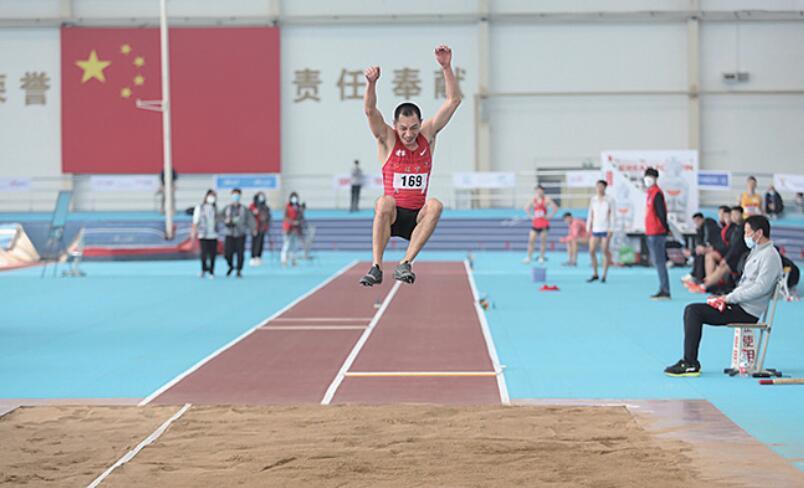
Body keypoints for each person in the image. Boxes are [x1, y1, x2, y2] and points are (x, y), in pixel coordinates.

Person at [358, 45, 461, 286]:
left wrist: (446, 67)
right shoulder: (388, 138)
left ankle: (405, 263)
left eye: (414, 128)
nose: (408, 134)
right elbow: (369, 110)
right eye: (403, 128)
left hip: (416, 217)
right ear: (395, 125)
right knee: (383, 201)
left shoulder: (428, 135)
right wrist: (371, 84)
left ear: (420, 124)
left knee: (435, 204)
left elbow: (454, 100)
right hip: (392, 215)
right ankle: (376, 267)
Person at [665, 215, 782, 377]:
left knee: (693, 311)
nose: (745, 236)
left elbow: (760, 288)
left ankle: (690, 363)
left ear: (759, 233)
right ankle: (689, 361)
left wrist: (728, 298)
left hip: (746, 311)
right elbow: (745, 284)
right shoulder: (756, 252)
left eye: (748, 232)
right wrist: (726, 297)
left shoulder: (770, 256)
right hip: (738, 304)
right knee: (693, 309)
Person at [696, 206, 749, 293]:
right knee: (710, 257)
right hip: (730, 254)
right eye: (733, 214)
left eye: (736, 214)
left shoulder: (742, 229)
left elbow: (736, 247)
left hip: (738, 257)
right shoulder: (733, 228)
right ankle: (707, 283)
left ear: (741, 214)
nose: (734, 216)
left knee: (722, 267)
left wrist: (726, 258)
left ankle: (705, 284)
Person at [644, 167, 671, 300]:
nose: (647, 179)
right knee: (658, 262)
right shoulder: (650, 193)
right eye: (646, 176)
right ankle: (663, 288)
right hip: (651, 232)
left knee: (660, 262)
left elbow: (662, 214)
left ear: (655, 179)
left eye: (650, 176)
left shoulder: (657, 194)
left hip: (657, 232)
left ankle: (665, 290)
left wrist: (665, 229)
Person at [683, 212, 724, 285]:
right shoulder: (701, 228)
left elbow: (708, 240)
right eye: (695, 222)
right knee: (699, 252)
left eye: (697, 221)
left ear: (702, 219)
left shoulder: (708, 224)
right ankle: (696, 276)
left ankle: (700, 279)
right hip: (712, 247)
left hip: (716, 248)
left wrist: (704, 248)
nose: (696, 223)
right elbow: (700, 242)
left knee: (702, 253)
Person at [586, 180, 614, 283]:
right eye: (598, 186)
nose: (599, 188)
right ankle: (595, 273)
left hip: (606, 228)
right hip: (596, 228)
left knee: (604, 250)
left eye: (601, 186)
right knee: (591, 250)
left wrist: (611, 229)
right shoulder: (593, 200)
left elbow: (613, 215)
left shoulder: (610, 200)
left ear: (605, 188)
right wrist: (588, 227)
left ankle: (604, 274)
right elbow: (590, 213)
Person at [222, 188, 254, 278]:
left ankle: (239, 270)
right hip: (229, 233)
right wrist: (226, 221)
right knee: (227, 252)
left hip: (240, 233)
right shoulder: (227, 208)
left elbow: (250, 219)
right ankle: (231, 266)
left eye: (237, 195)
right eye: (234, 195)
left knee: (240, 253)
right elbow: (220, 217)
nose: (236, 197)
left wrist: (253, 229)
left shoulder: (244, 209)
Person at [522, 185, 558, 264]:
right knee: (531, 240)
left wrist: (550, 216)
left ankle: (541, 257)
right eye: (537, 191)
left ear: (543, 191)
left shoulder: (547, 199)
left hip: (544, 223)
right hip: (535, 223)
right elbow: (526, 208)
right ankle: (529, 257)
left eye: (540, 190)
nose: (539, 192)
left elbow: (555, 208)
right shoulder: (533, 199)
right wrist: (531, 216)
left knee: (543, 241)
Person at [191, 189, 219, 279]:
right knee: (203, 253)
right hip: (203, 234)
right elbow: (195, 220)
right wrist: (193, 232)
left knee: (213, 254)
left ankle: (212, 271)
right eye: (210, 196)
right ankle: (203, 269)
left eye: (213, 196)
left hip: (213, 234)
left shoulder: (215, 208)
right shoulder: (200, 207)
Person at [249, 192, 271, 266]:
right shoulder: (252, 206)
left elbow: (268, 217)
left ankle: (259, 257)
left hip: (262, 228)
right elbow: (250, 217)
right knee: (254, 242)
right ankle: (253, 257)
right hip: (254, 227)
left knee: (261, 242)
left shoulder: (265, 207)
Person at [281, 192, 302, 267]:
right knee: (286, 245)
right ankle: (284, 260)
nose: (294, 199)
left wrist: (298, 222)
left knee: (295, 245)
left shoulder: (299, 207)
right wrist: (292, 222)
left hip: (296, 229)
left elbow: (301, 217)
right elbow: (285, 217)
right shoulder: (287, 207)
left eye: (295, 197)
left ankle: (294, 260)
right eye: (293, 197)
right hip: (287, 228)